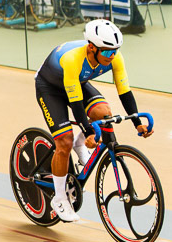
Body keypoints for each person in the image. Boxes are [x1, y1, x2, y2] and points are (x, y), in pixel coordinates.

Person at [33, 20, 150, 223]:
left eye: (115, 50)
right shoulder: (72, 59)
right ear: (91, 47)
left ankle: (80, 146)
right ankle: (60, 199)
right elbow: (76, 102)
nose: (111, 56)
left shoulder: (114, 57)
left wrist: (137, 121)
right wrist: (88, 131)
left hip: (76, 83)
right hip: (50, 87)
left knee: (103, 113)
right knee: (64, 142)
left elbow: (124, 91)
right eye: (106, 52)